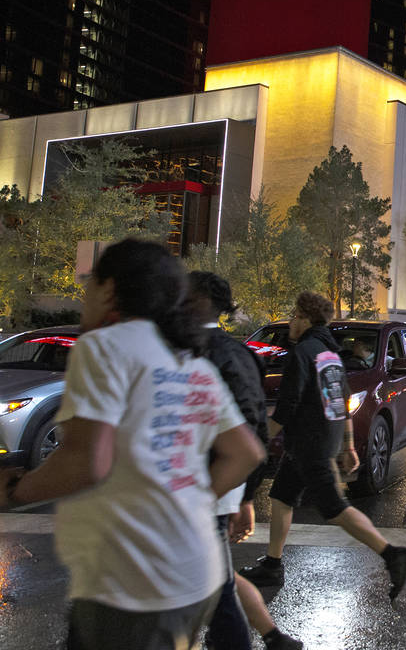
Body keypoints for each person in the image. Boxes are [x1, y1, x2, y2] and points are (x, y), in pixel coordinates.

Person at [0, 238, 264, 650]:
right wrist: (190, 504)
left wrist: (14, 490)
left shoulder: (105, 347)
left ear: (109, 290)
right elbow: (246, 453)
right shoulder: (191, 363)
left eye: (89, 284)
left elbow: (87, 460)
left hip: (132, 582)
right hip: (197, 574)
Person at [239, 292, 406, 611]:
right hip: (320, 438)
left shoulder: (302, 352)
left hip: (310, 443)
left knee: (334, 506)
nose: (291, 321)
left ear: (306, 319)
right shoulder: (330, 353)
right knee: (281, 496)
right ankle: (273, 565)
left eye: (294, 315)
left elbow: (288, 406)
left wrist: (260, 438)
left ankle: (392, 554)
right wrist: (346, 444)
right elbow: (340, 399)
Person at [188, 271, 303, 650]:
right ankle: (273, 637)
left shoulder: (182, 351)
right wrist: (245, 494)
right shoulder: (241, 354)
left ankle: (267, 638)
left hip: (191, 492)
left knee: (210, 588)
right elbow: (256, 431)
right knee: (216, 579)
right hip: (221, 488)